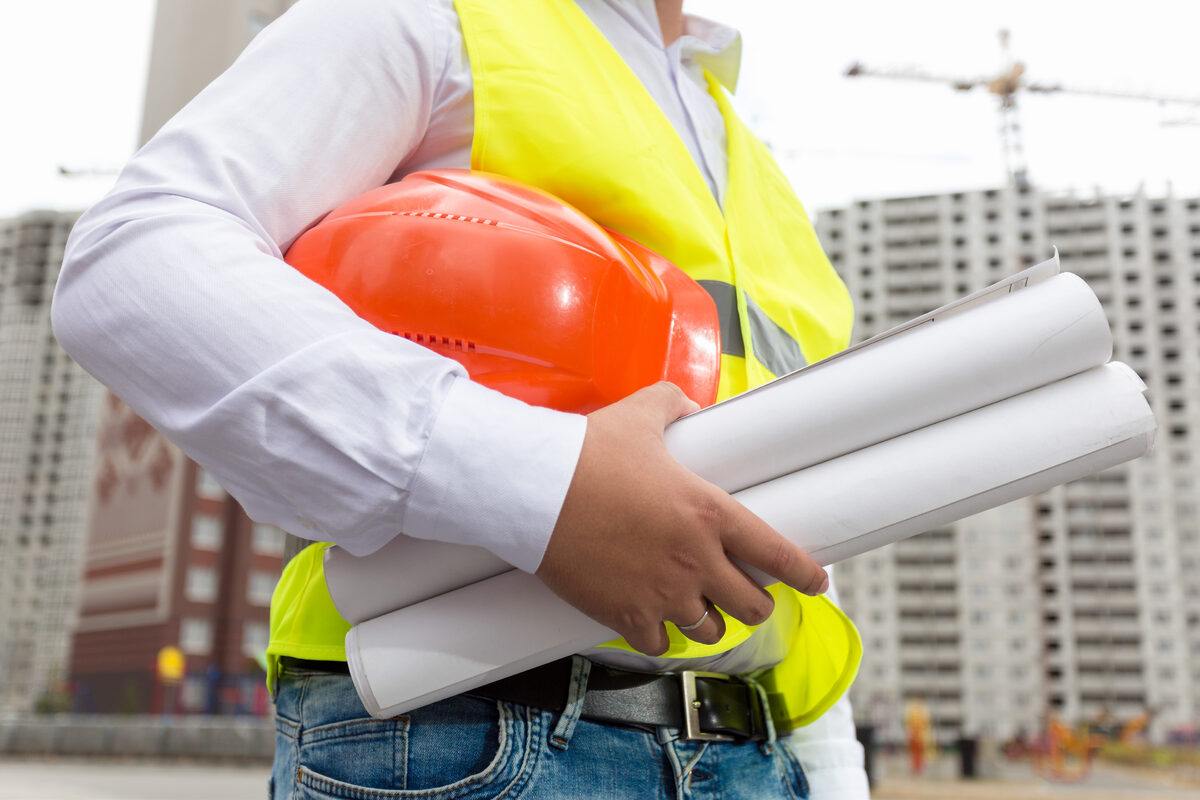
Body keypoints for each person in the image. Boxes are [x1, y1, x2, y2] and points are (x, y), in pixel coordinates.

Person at [53, 0, 869, 797]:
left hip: (759, 749)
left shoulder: (755, 166)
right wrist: (546, 487)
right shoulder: (438, 17)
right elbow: (139, 252)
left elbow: (794, 536)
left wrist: (831, 773)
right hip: (466, 736)